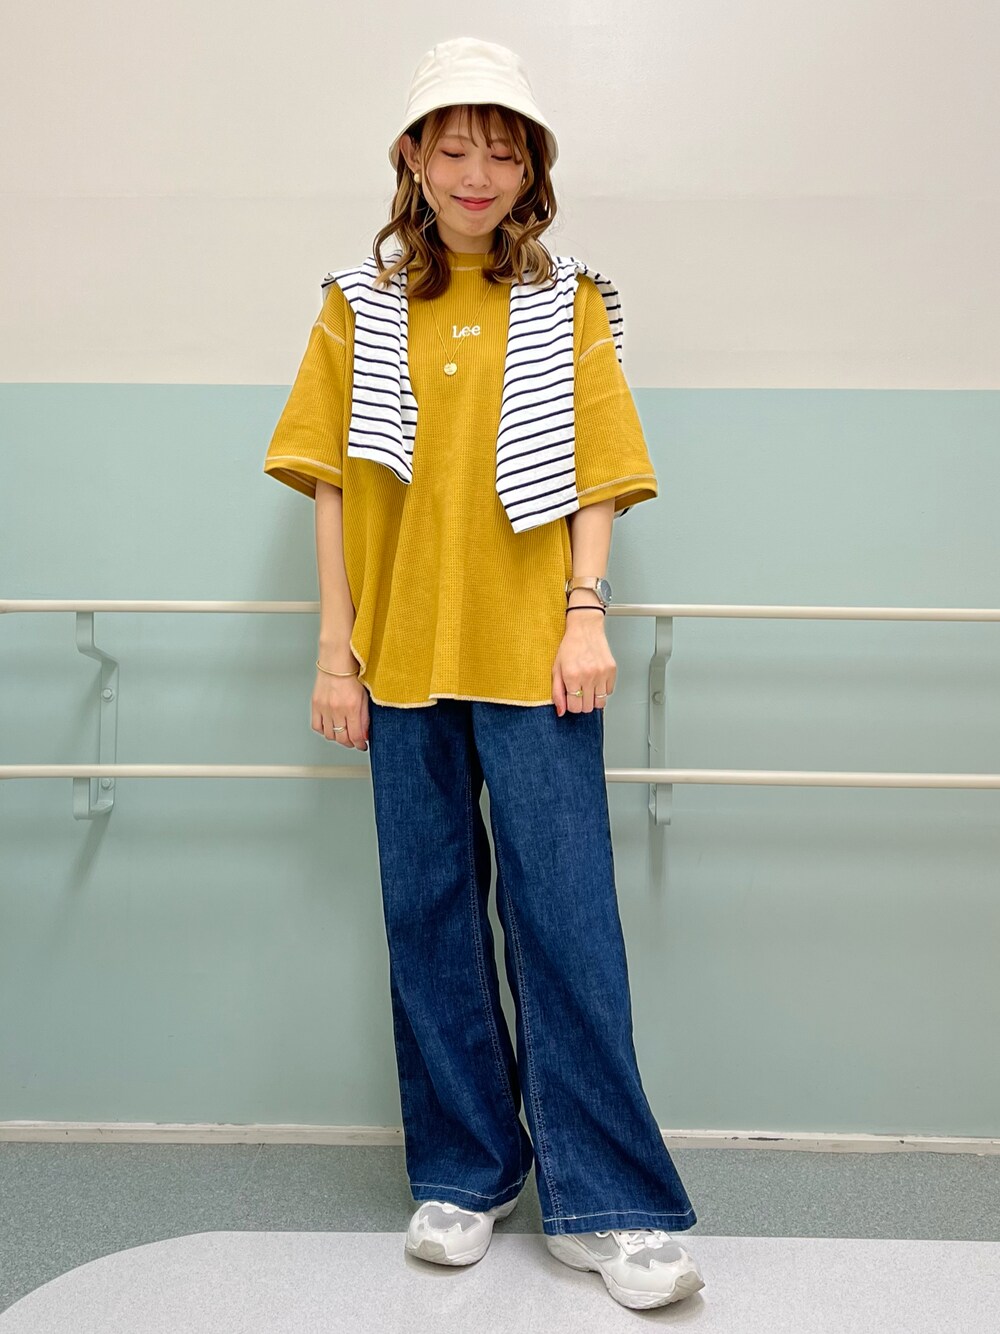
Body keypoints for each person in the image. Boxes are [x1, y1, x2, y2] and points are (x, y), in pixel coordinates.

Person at [262, 35, 705, 1312]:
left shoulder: (570, 304)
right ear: (411, 156)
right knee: (430, 921)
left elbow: (599, 475)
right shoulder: (357, 303)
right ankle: (465, 1171)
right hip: (399, 659)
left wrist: (584, 615)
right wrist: (335, 650)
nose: (475, 173)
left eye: (501, 152)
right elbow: (332, 486)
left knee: (567, 925)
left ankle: (603, 1203)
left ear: (531, 169)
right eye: (453, 148)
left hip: (535, 654)